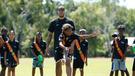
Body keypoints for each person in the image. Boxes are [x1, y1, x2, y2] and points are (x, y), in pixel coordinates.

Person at [46, 6, 75, 76]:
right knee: (58, 65)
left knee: (68, 62)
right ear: (57, 11)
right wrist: (47, 47)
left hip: (68, 47)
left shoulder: (70, 22)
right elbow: (49, 35)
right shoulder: (53, 22)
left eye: (62, 10)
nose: (61, 11)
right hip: (57, 47)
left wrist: (72, 46)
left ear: (64, 11)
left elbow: (74, 36)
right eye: (59, 10)